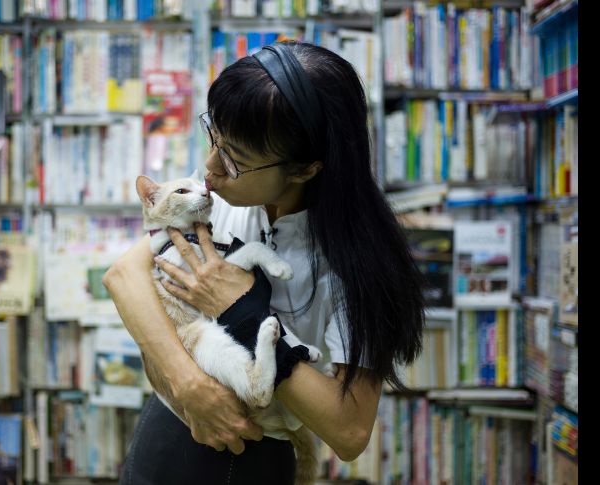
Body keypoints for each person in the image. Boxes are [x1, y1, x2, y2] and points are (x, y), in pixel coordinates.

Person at [103, 40, 425, 484]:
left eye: (235, 159)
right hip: (167, 426)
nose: (210, 167)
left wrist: (245, 315)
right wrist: (187, 384)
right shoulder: (215, 195)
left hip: (248, 451)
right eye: (213, 137)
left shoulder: (363, 267)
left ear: (304, 169)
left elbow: (349, 432)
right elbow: (124, 277)